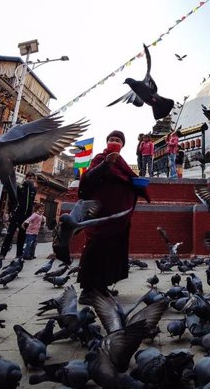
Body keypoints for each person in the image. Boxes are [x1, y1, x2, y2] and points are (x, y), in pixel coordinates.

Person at [76, 130, 149, 305]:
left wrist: (140, 187)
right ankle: (87, 291)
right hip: (100, 215)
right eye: (112, 139)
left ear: (122, 145)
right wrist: (105, 165)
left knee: (112, 251)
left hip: (119, 217)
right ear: (107, 142)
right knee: (95, 249)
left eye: (118, 140)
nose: (114, 142)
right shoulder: (100, 159)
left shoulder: (122, 163)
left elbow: (128, 180)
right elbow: (87, 180)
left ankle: (102, 285)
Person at [0, 172, 37, 260]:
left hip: (26, 216)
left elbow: (31, 203)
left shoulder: (33, 190)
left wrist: (30, 216)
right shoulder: (19, 187)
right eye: (29, 177)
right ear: (26, 178)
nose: (30, 179)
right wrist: (11, 211)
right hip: (17, 214)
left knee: (22, 235)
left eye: (32, 178)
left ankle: (19, 253)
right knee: (10, 234)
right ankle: (2, 254)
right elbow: (12, 200)